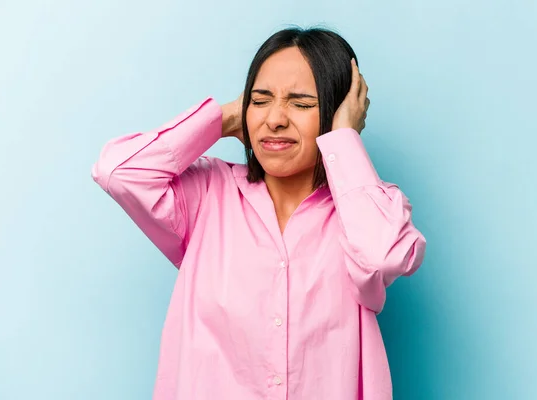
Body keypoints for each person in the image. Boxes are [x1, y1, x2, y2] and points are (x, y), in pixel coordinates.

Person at [92, 27, 426, 400]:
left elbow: (382, 258)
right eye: (261, 100)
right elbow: (118, 172)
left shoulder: (366, 208)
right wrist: (224, 118)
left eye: (301, 104)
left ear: (334, 114)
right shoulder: (207, 194)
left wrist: (344, 139)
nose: (276, 120)